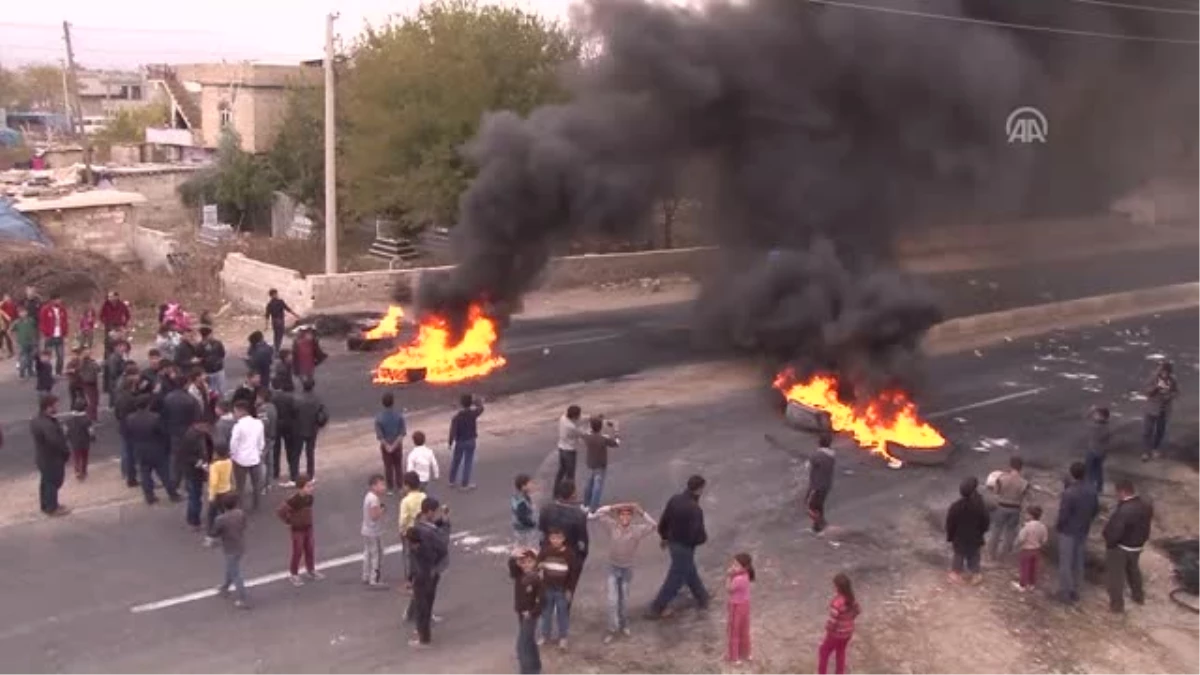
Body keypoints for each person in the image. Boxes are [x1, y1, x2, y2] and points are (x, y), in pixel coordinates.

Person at [590, 503, 657, 642]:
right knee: (612, 600)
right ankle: (612, 628)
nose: (625, 517)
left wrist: (641, 511)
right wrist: (616, 506)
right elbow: (599, 514)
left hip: (627, 569)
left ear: (631, 517)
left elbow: (654, 525)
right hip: (613, 568)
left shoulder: (637, 530)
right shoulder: (612, 525)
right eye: (622, 514)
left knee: (624, 600)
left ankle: (624, 624)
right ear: (618, 516)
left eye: (628, 515)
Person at [648, 475, 711, 617]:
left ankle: (702, 597)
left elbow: (664, 521)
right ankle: (657, 608)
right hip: (685, 547)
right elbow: (698, 534)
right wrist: (701, 540)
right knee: (675, 578)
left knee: (689, 571)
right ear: (700, 489)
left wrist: (664, 537)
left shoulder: (675, 499)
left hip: (672, 543)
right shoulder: (695, 510)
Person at [1102, 479, 1154, 613]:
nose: (1116, 495)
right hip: (1137, 545)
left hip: (1122, 547)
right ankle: (1138, 596)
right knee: (1133, 571)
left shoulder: (1125, 510)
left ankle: (1117, 606)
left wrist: (1110, 542)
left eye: (1117, 493)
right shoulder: (1146, 505)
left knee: (1115, 577)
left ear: (1123, 492)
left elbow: (1116, 531)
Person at [408, 497, 451, 648]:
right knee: (425, 602)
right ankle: (423, 633)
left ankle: (423, 633)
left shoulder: (418, 525)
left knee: (423, 602)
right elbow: (443, 544)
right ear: (430, 512)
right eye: (436, 512)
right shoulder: (429, 533)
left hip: (423, 571)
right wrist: (446, 524)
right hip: (430, 571)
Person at [538, 479, 590, 601]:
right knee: (568, 587)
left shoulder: (546, 509)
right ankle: (563, 610)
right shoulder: (579, 515)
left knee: (549, 584)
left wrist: (544, 550)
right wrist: (580, 559)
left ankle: (548, 608)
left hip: (549, 552)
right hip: (570, 556)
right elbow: (583, 542)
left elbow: (541, 532)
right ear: (573, 494)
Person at [1056, 461, 1099, 604]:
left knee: (1066, 563)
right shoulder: (1092, 490)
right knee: (1078, 561)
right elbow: (1095, 510)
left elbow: (1063, 515)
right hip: (1083, 530)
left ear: (1072, 474)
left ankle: (1065, 593)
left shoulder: (1069, 493)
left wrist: (1059, 526)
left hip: (1068, 531)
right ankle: (1076, 589)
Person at [126, 395, 181, 505]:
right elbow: (164, 434)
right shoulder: (155, 418)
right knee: (164, 473)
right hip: (156, 449)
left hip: (140, 450)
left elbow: (129, 434)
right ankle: (172, 494)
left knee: (145, 474)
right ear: (148, 405)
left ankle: (149, 496)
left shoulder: (130, 418)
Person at [537, 526, 579, 650]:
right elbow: (537, 565)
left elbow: (573, 574)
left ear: (563, 539)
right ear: (549, 539)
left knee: (562, 614)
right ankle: (545, 636)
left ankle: (563, 638)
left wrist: (569, 589)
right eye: (553, 538)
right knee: (546, 613)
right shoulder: (545, 551)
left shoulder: (569, 554)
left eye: (558, 538)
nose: (555, 541)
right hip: (547, 588)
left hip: (562, 589)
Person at [31, 395, 71, 516]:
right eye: (55, 405)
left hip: (43, 457)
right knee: (53, 483)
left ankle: (46, 505)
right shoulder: (47, 424)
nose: (57, 407)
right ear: (48, 407)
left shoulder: (36, 420)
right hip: (52, 458)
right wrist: (65, 451)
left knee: (46, 482)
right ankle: (52, 508)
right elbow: (55, 441)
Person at [278, 475, 323, 585]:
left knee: (310, 549)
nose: (311, 488)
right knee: (297, 551)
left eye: (311, 486)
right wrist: (289, 521)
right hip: (297, 529)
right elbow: (281, 511)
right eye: (308, 486)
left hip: (308, 527)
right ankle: (294, 574)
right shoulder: (293, 500)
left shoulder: (310, 498)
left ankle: (311, 570)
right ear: (300, 487)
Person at [945, 476, 990, 585]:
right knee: (974, 555)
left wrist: (950, 536)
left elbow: (950, 523)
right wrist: (982, 532)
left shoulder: (956, 506)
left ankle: (956, 574)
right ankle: (975, 574)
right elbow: (985, 520)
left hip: (959, 537)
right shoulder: (979, 505)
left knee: (959, 555)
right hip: (975, 536)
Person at [508, 548, 543, 675]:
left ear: (535, 562)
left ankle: (528, 671)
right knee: (529, 640)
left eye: (530, 562)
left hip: (530, 615)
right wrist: (513, 557)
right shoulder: (519, 575)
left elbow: (542, 601)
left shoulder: (537, 579)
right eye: (523, 562)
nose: (527, 565)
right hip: (521, 613)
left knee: (522, 645)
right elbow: (512, 568)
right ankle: (536, 667)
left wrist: (532, 613)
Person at [162, 376, 201, 492]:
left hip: (174, 432)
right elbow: (197, 417)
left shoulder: (168, 398)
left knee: (175, 459)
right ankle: (189, 485)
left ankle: (174, 483)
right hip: (188, 433)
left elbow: (164, 415)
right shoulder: (190, 399)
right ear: (185, 385)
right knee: (189, 459)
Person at [212, 492, 250, 609]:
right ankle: (225, 587)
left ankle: (243, 599)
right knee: (231, 568)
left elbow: (215, 532)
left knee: (235, 573)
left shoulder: (221, 519)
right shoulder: (240, 513)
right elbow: (244, 526)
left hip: (229, 547)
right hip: (240, 545)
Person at [987, 457, 1030, 561]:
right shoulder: (1024, 483)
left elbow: (996, 492)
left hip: (1002, 507)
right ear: (1021, 468)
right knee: (1010, 533)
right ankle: (1004, 556)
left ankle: (992, 554)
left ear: (1010, 466)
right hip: (1015, 509)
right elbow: (1024, 497)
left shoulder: (1001, 478)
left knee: (996, 531)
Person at [818, 573, 860, 675]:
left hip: (836, 634)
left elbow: (833, 621)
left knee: (823, 651)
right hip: (848, 632)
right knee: (840, 652)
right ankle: (840, 673)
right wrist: (848, 620)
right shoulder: (851, 599)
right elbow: (858, 611)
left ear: (837, 587)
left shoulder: (837, 603)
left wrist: (828, 629)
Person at [229, 400, 265, 511]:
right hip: (255, 458)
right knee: (256, 485)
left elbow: (233, 443)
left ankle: (240, 507)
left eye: (235, 411)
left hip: (240, 459)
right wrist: (258, 452)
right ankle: (256, 506)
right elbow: (261, 442)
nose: (234, 414)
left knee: (240, 486)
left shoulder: (238, 426)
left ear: (240, 411)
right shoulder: (258, 423)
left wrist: (233, 455)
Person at [179, 417, 212, 531]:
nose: (207, 428)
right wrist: (202, 464)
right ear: (198, 424)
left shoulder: (199, 434)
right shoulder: (190, 437)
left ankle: (192, 519)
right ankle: (194, 522)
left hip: (197, 470)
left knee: (195, 496)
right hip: (192, 472)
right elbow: (187, 457)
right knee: (195, 497)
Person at [582, 416, 620, 513]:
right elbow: (617, 443)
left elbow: (587, 430)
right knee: (597, 487)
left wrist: (598, 421)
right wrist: (616, 430)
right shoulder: (603, 439)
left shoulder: (587, 437)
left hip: (590, 464)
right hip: (600, 465)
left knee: (589, 485)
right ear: (600, 427)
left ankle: (585, 504)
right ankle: (593, 508)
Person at [448, 394, 485, 490]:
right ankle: (465, 484)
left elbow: (452, 431)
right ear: (470, 403)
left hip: (460, 442)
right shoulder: (473, 414)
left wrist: (450, 442)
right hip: (471, 441)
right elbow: (481, 408)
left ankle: (451, 481)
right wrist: (476, 401)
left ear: (461, 403)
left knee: (456, 461)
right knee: (468, 462)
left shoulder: (456, 417)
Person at [1142, 361, 1178, 461]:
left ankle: (1155, 448)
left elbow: (1176, 392)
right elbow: (1146, 392)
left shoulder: (1172, 381)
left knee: (1160, 431)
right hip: (1151, 409)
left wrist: (1169, 395)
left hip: (1163, 410)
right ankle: (1145, 451)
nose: (1164, 374)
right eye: (1163, 372)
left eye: (1166, 372)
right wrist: (1156, 388)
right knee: (1147, 431)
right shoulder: (1153, 379)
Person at [292, 378, 327, 481]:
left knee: (296, 453)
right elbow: (323, 413)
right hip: (312, 429)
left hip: (299, 429)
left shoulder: (297, 399)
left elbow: (293, 413)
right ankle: (310, 475)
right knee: (310, 453)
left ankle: (295, 475)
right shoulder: (317, 399)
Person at [399, 471, 428, 592]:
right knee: (420, 556)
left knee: (409, 556)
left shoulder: (406, 501)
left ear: (407, 486)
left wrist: (401, 530)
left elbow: (403, 519)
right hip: (423, 529)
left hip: (410, 532)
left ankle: (409, 582)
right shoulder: (424, 496)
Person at [726, 552, 754, 665]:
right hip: (745, 605)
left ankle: (734, 656)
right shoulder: (746, 575)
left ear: (744, 567)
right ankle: (746, 653)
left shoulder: (737, 579)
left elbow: (729, 589)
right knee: (744, 630)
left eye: (736, 565)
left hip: (736, 606)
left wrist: (728, 576)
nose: (733, 567)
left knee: (734, 631)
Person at [375, 393, 407, 494]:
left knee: (388, 467)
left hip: (385, 447)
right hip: (397, 446)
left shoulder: (379, 418)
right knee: (398, 466)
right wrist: (394, 445)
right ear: (393, 402)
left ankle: (390, 488)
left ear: (383, 403)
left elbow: (380, 436)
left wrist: (388, 446)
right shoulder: (399, 416)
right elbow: (402, 433)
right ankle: (400, 486)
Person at [1013, 505, 1048, 592]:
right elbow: (1044, 539)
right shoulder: (1042, 526)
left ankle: (1022, 585)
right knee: (1033, 568)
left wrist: (1017, 545)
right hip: (1037, 550)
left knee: (1025, 567)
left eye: (1027, 514)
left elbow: (1021, 538)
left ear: (1031, 515)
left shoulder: (1027, 526)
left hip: (1026, 549)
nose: (1025, 516)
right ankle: (1032, 584)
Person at [362, 474, 388, 588]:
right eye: (381, 484)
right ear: (373, 486)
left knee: (368, 553)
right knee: (376, 554)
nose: (384, 487)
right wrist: (382, 510)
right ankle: (374, 579)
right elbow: (374, 516)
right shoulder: (374, 499)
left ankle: (366, 575)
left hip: (366, 530)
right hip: (374, 531)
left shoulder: (369, 496)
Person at [806, 433, 836, 533]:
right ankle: (817, 527)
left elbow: (810, 463)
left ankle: (822, 523)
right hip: (826, 485)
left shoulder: (818, 455)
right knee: (819, 506)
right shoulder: (831, 455)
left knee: (810, 506)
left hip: (817, 485)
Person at [205, 445, 234, 544]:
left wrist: (211, 496)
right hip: (226, 490)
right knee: (224, 514)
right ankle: (227, 534)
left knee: (211, 516)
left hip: (217, 493)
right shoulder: (229, 462)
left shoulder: (215, 465)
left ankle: (210, 537)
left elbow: (213, 482)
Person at [37, 293, 69, 375]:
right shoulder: (45, 309)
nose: (59, 301)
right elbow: (42, 322)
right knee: (47, 355)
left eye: (60, 299)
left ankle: (59, 372)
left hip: (59, 335)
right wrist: (45, 333)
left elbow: (65, 322)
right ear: (52, 300)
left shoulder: (62, 309)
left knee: (61, 356)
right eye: (58, 299)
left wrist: (65, 334)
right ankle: (46, 372)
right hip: (49, 336)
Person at [63, 397, 93, 481]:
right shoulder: (87, 419)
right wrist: (92, 437)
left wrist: (66, 438)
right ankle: (83, 471)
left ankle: (77, 471)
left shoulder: (68, 420)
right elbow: (90, 431)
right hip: (84, 441)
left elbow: (65, 431)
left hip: (74, 441)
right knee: (84, 457)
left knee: (76, 457)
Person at [555, 405, 584, 490]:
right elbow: (582, 434)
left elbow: (580, 419)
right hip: (569, 452)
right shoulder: (571, 427)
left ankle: (556, 493)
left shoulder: (563, 418)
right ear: (575, 416)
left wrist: (590, 418)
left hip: (561, 449)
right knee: (570, 476)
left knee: (561, 472)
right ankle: (569, 494)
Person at [1084, 406, 1111, 494]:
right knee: (1099, 470)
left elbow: (1086, 418)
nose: (1095, 415)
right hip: (1102, 452)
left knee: (1089, 471)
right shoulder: (1107, 426)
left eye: (1097, 414)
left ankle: (1089, 488)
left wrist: (1091, 410)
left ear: (1102, 417)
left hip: (1092, 451)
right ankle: (1099, 488)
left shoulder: (1094, 426)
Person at [256, 389, 278, 493]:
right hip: (272, 437)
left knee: (262, 463)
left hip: (265, 438)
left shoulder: (262, 410)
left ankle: (262, 486)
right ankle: (269, 484)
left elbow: (263, 424)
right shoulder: (273, 407)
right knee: (269, 462)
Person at [264, 289, 298, 353]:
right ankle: (277, 349)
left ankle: (276, 349)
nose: (277, 295)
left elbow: (267, 316)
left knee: (276, 335)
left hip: (274, 322)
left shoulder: (269, 304)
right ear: (273, 295)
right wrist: (296, 315)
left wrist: (266, 325)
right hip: (280, 321)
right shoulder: (280, 301)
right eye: (276, 294)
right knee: (280, 335)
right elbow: (288, 309)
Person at [197, 326, 227, 398]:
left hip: (219, 369)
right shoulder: (199, 346)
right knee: (211, 390)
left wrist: (218, 361)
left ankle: (223, 403)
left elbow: (222, 353)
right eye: (211, 334)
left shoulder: (217, 343)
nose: (212, 335)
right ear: (207, 335)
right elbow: (199, 358)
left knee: (221, 389)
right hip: (208, 371)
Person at [512, 474, 539, 550]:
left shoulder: (519, 496)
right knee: (527, 548)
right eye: (530, 484)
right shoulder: (522, 501)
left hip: (520, 528)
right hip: (525, 530)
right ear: (523, 486)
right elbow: (521, 516)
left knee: (522, 546)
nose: (532, 485)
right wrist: (532, 524)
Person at [13, 306, 38, 379]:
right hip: (21, 342)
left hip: (31, 341)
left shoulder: (31, 320)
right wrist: (14, 340)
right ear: (18, 314)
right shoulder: (17, 322)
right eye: (21, 313)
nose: (22, 314)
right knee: (23, 358)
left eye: (24, 312)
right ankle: (22, 371)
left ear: (27, 312)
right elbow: (10, 331)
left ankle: (30, 371)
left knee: (30, 357)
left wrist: (35, 339)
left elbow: (35, 329)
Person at [0, 292, 17, 359]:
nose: (7, 298)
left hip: (10, 322)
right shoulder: (2, 304)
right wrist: (5, 316)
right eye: (5, 297)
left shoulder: (13, 304)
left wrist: (14, 321)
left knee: (8, 338)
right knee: (1, 338)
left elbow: (15, 313)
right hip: (2, 322)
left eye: (8, 297)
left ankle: (11, 352)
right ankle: (1, 353)